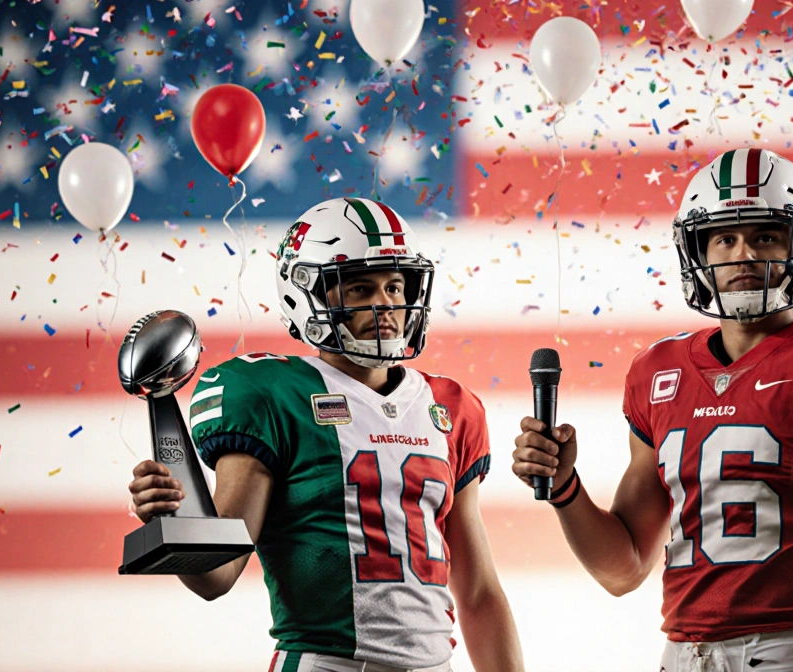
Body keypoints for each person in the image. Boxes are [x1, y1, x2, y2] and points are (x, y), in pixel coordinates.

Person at [512, 149, 793, 672]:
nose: (743, 253)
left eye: (765, 235)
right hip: (680, 655)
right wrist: (566, 487)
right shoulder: (658, 371)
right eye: (724, 238)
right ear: (697, 251)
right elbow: (624, 569)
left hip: (784, 653)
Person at [130, 197, 524, 672]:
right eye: (360, 288)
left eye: (396, 285)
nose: (387, 304)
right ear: (307, 294)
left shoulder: (450, 406)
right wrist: (176, 516)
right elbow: (217, 575)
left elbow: (479, 592)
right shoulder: (272, 392)